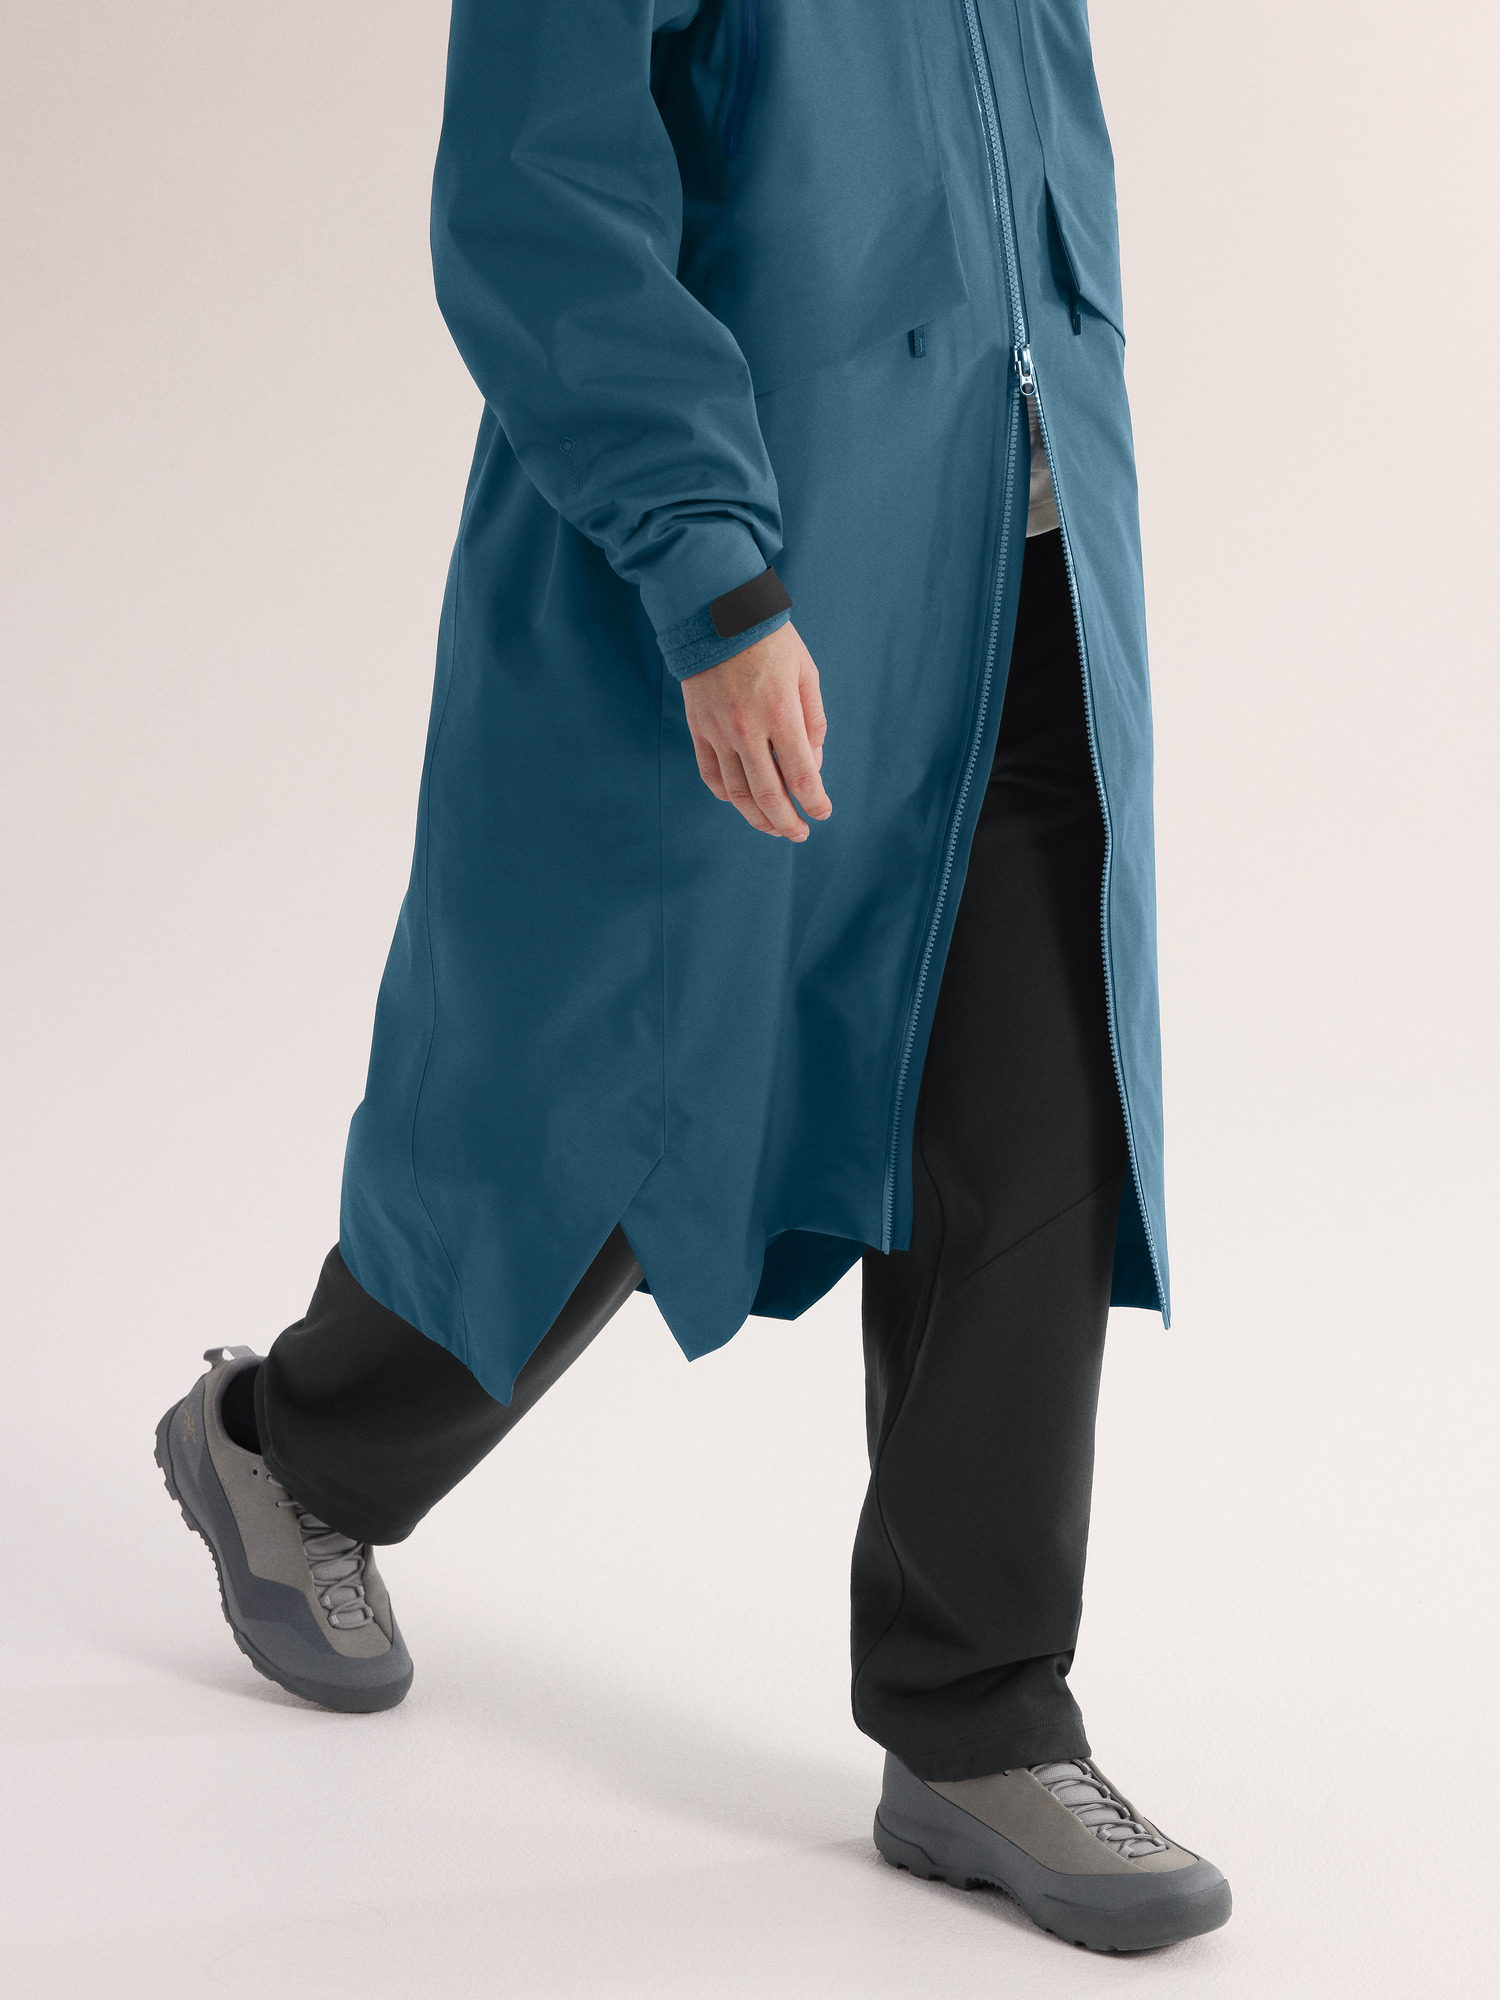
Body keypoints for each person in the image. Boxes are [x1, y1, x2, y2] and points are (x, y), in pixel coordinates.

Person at [155, 0, 1230, 1954]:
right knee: (617, 1111)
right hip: (749, 572)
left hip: (1019, 546)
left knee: (1033, 1111)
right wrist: (712, 567)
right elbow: (536, 199)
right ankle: (286, 1451)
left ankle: (979, 1714)